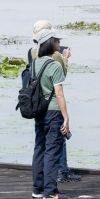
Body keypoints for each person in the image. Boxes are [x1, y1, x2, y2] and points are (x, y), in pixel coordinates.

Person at [29, 20, 80, 183]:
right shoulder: (55, 56)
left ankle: (38, 186)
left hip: (37, 105)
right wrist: (65, 59)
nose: (59, 42)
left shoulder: (32, 54)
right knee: (55, 145)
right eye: (57, 40)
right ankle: (58, 177)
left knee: (39, 147)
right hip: (53, 107)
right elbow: (59, 82)